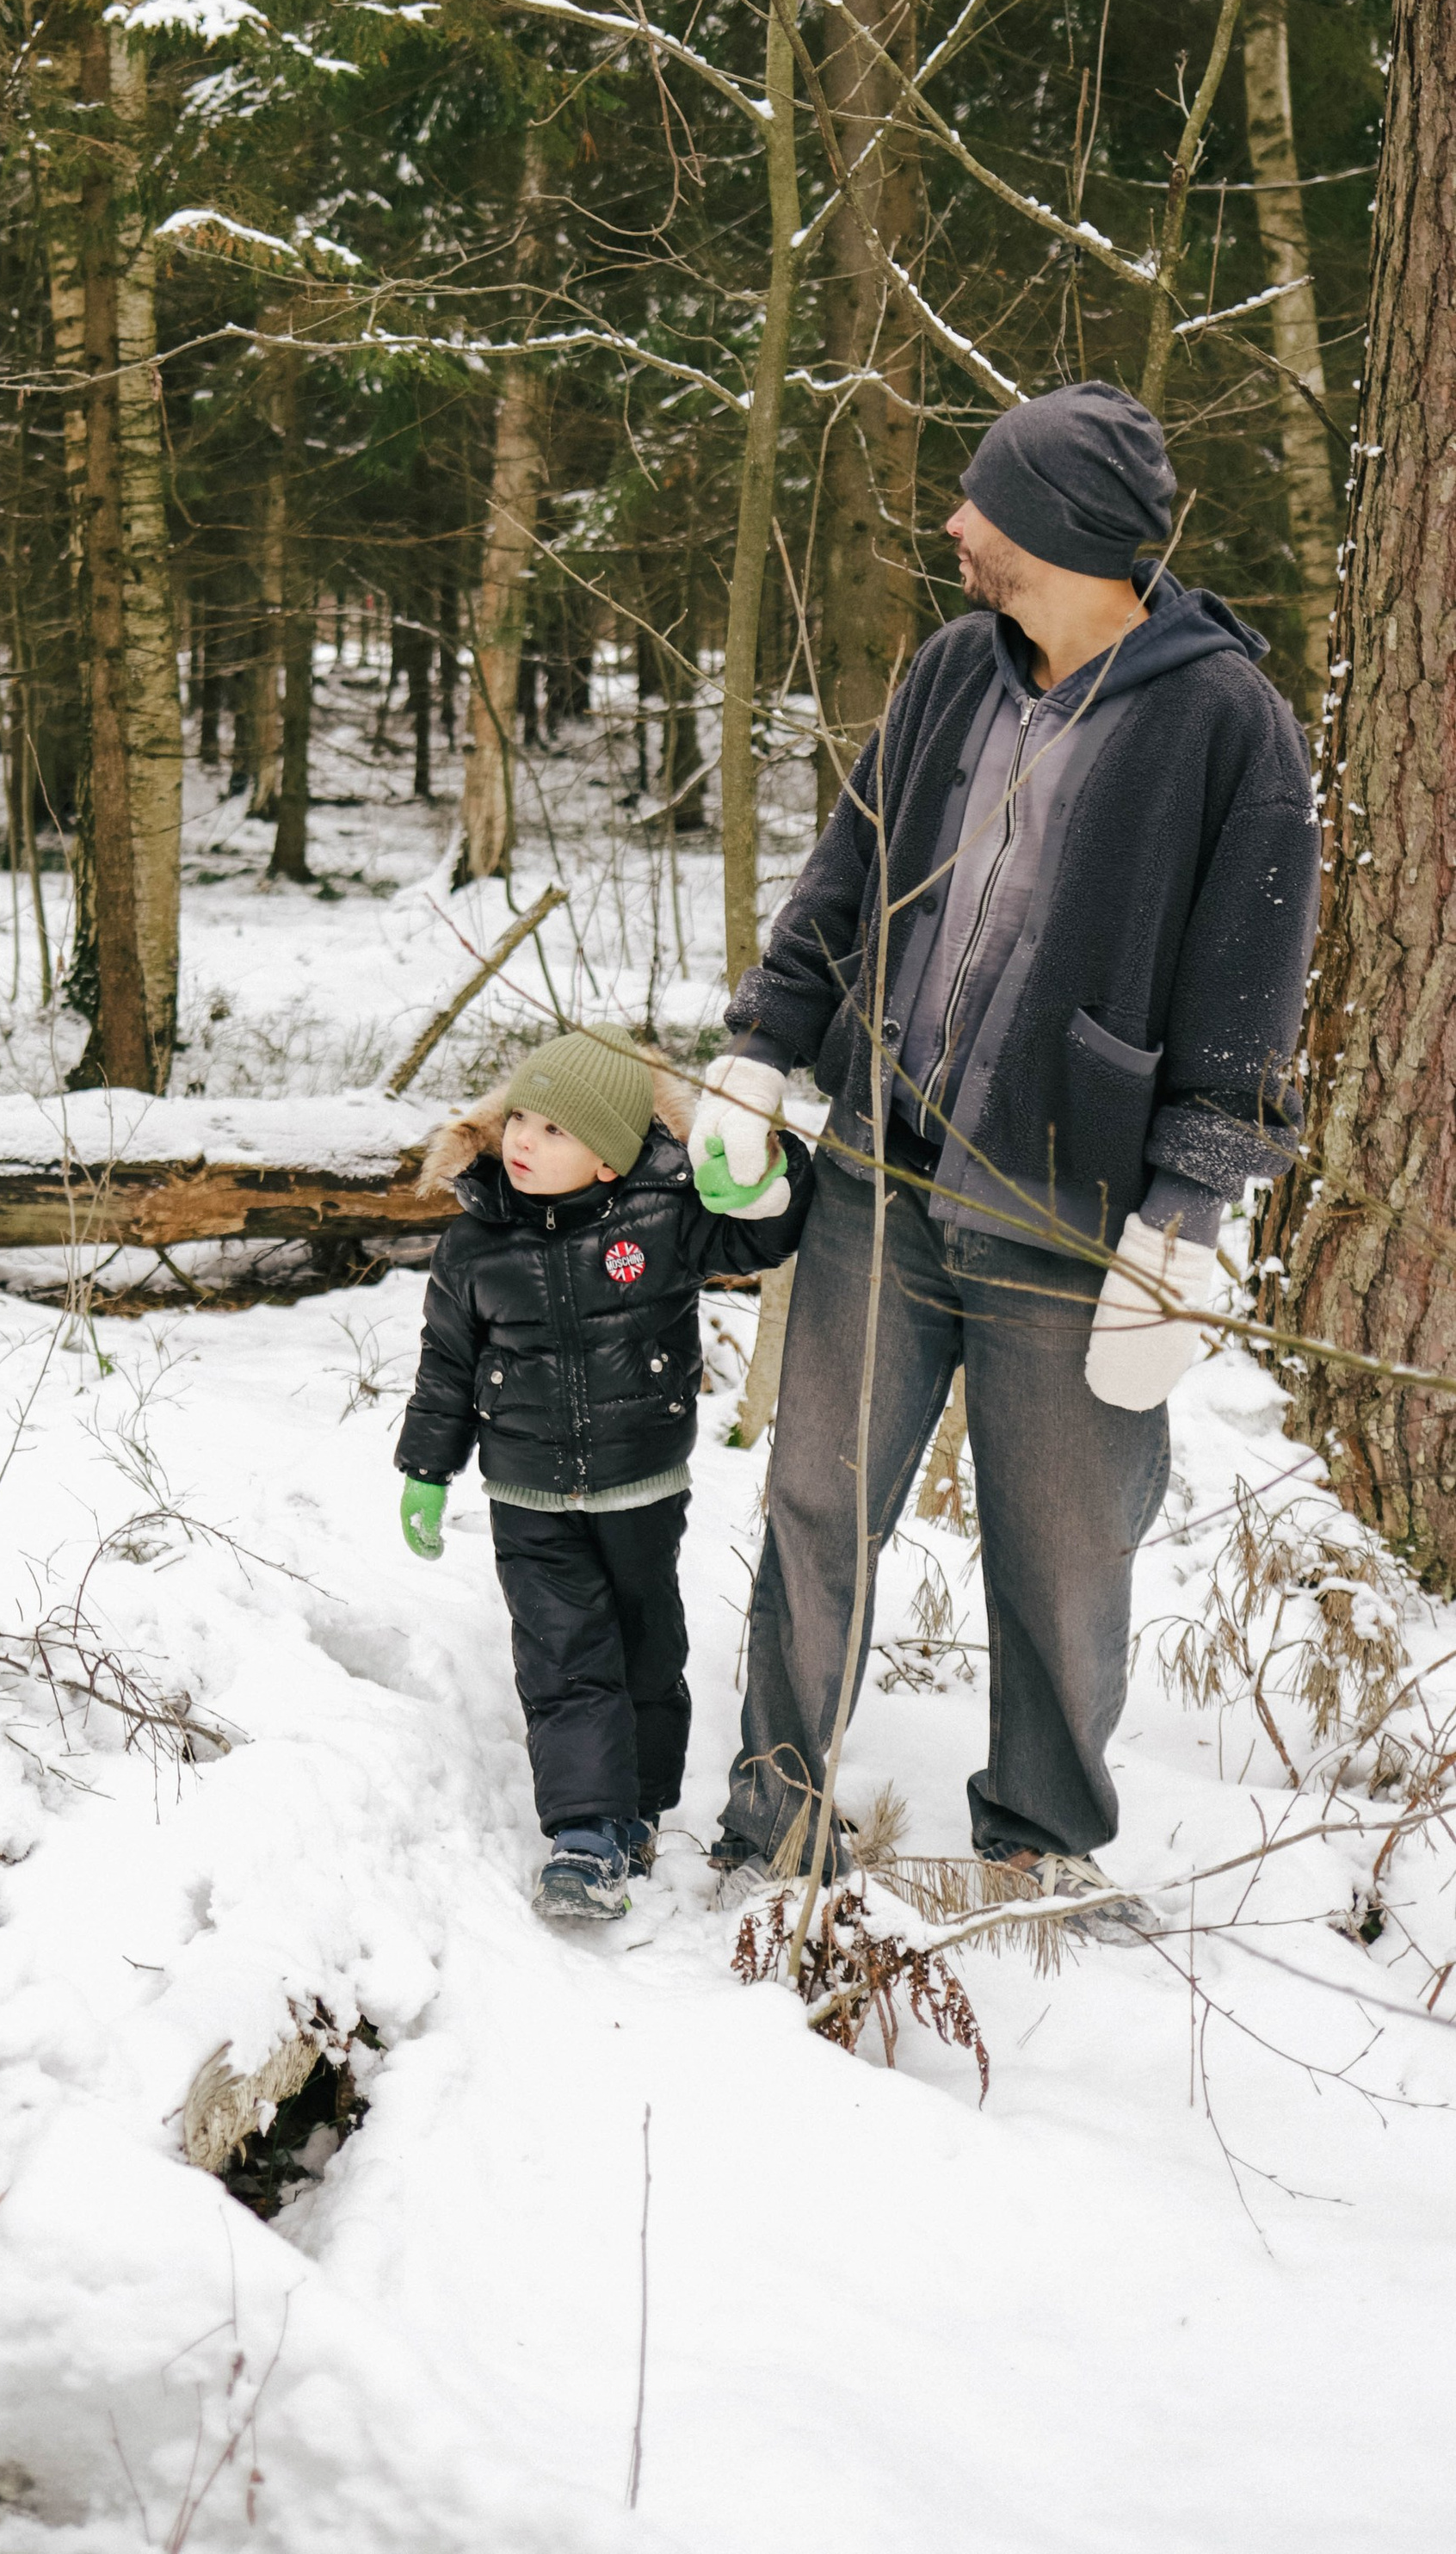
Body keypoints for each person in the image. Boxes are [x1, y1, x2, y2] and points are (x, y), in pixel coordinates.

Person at [695, 380, 1318, 1932]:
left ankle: (1039, 1842)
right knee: (817, 1502)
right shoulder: (954, 670)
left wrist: (1186, 1214)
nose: (956, 523)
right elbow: (851, 871)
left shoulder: (1229, 726)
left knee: (1064, 1551)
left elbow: (1248, 996)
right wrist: (767, 1043)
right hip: (884, 1177)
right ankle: (774, 1813)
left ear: (1061, 532)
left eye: (984, 502)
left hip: (1072, 1212)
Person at [394, 1024, 812, 1923]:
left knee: (645, 1650)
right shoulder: (475, 1244)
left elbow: (767, 1233)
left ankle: (640, 1807)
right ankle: (583, 1834)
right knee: (562, 1654)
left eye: (554, 1131)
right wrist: (426, 1468)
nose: (522, 1142)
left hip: (640, 1488)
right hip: (524, 1493)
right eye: (520, 1120)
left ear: (614, 1162)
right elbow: (444, 1364)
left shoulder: (662, 1217)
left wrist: (766, 1177)